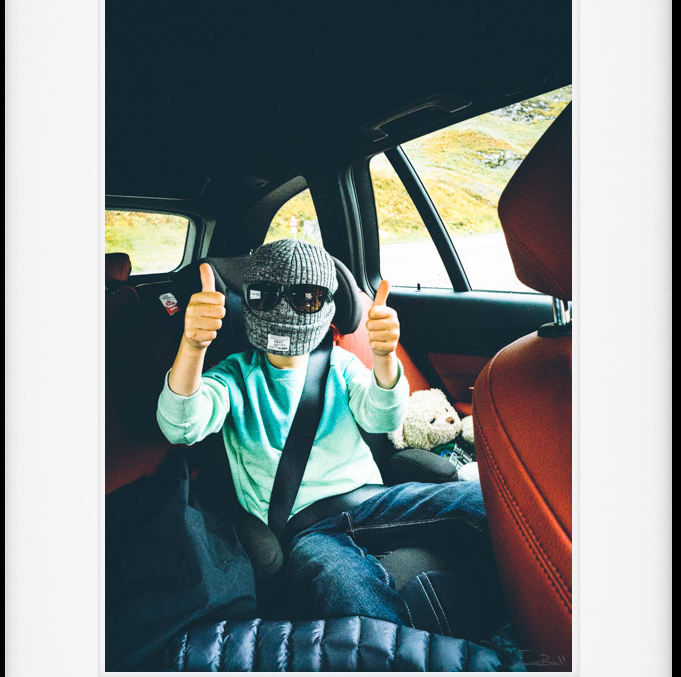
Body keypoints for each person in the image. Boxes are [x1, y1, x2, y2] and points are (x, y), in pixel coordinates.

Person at [156, 239, 503, 632]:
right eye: (264, 296)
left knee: (486, 503)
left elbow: (382, 416)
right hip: (304, 528)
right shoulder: (234, 375)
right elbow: (180, 425)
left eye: (307, 298)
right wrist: (193, 347)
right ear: (247, 302)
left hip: (373, 501)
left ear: (327, 305)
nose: (285, 310)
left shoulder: (341, 363)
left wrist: (384, 358)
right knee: (351, 597)